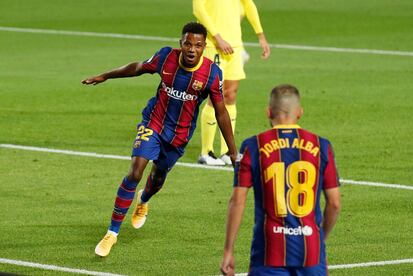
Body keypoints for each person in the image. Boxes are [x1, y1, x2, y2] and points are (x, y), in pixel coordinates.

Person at [82, 22, 237, 257]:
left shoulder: (212, 74)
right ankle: (112, 233)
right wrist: (106, 75)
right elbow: (138, 67)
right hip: (153, 122)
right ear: (181, 44)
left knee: (157, 178)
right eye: (187, 43)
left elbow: (221, 112)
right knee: (135, 171)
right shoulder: (166, 57)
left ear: (205, 46)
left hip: (179, 135)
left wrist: (233, 152)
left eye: (197, 45)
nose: (192, 49)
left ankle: (144, 199)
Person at [220, 84, 341, 275]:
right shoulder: (322, 146)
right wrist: (320, 238)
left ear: (268, 112)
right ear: (299, 112)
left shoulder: (253, 146)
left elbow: (237, 201)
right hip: (311, 252)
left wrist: (228, 250)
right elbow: (334, 204)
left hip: (268, 253)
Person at [193, 0, 271, 166]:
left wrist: (261, 36)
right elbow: (198, 9)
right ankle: (206, 152)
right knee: (215, 95)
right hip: (214, 45)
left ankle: (227, 151)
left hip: (235, 45)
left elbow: (249, 5)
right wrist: (217, 38)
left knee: (231, 94)